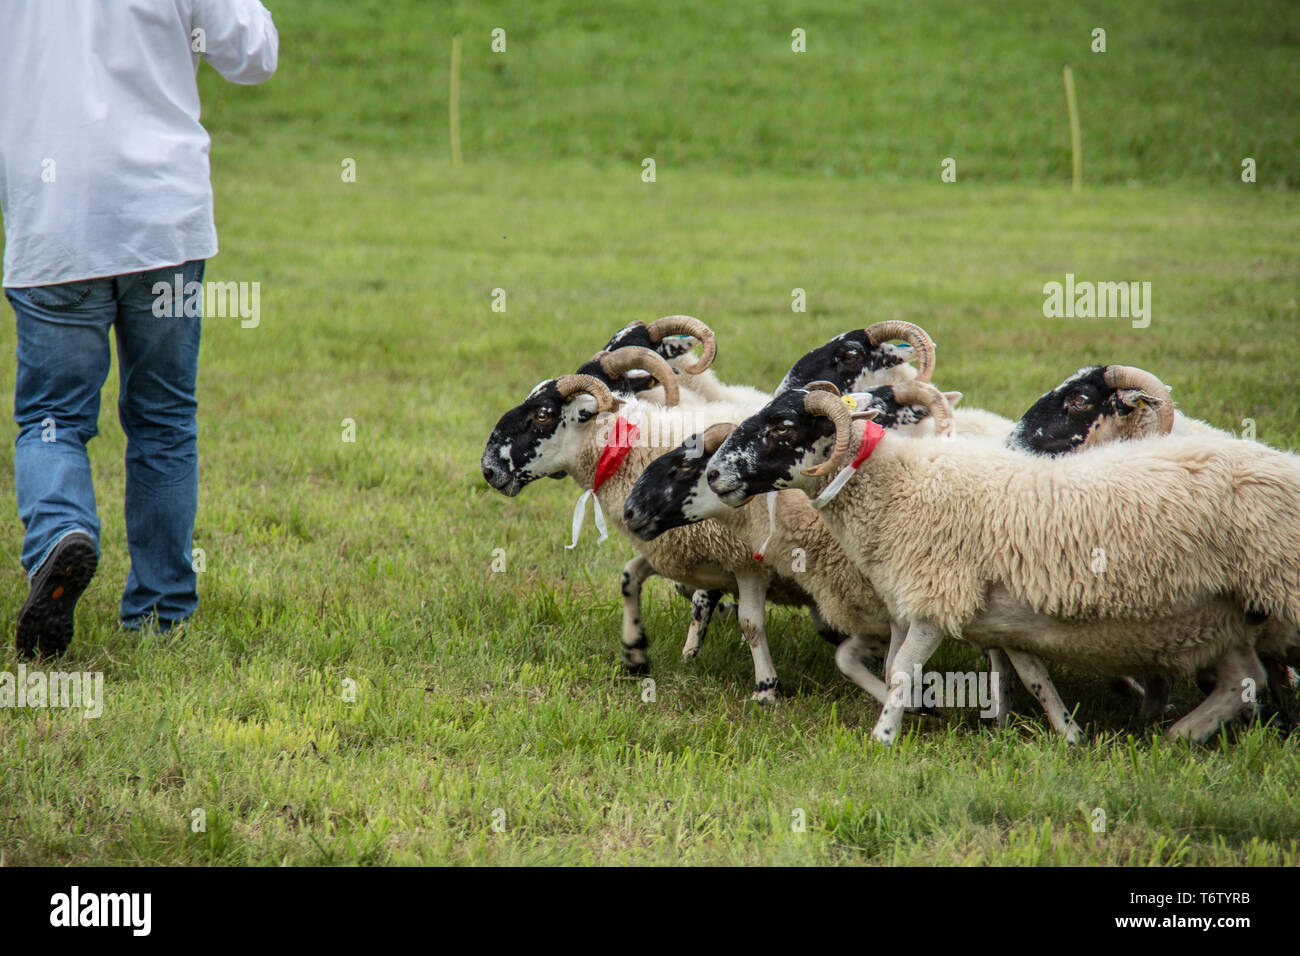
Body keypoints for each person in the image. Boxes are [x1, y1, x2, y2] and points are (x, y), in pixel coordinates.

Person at [0, 1, 278, 657]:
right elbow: (254, 56)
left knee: (53, 416)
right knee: (163, 417)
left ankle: (62, 536)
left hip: (52, 218)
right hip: (162, 217)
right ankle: (160, 611)